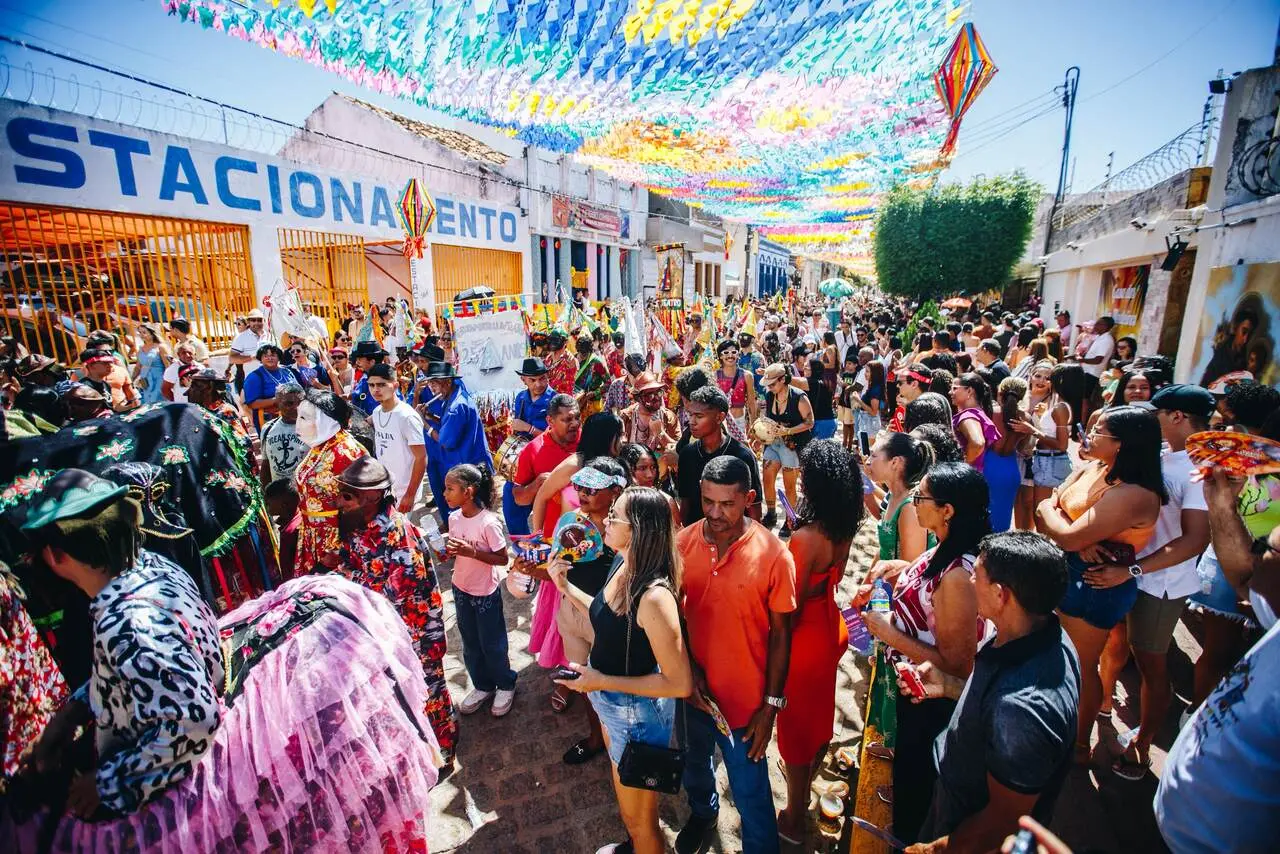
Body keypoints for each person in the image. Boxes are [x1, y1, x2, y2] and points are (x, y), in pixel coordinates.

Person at [20, 469, 223, 817]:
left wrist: (109, 782)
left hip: (177, 787)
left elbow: (197, 719)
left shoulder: (129, 624)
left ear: (55, 555)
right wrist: (73, 712)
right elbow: (136, 672)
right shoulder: (149, 565)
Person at [904, 532, 1080, 853]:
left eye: (977, 575)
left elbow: (1001, 822)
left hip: (964, 830)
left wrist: (934, 849)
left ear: (1000, 595)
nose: (969, 579)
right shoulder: (1040, 630)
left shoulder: (1023, 711)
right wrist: (949, 685)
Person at [549, 485, 691, 854]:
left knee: (640, 822)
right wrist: (563, 586)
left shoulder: (654, 596)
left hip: (635, 716)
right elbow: (604, 614)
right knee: (632, 814)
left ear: (639, 529)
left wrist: (600, 680)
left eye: (615, 516)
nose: (606, 520)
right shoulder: (623, 562)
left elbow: (679, 683)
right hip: (613, 705)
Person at [857, 462, 991, 844]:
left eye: (922, 497)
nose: (914, 501)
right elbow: (924, 578)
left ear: (947, 510)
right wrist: (896, 569)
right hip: (914, 691)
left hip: (932, 703)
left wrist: (887, 633)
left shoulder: (957, 579)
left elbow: (955, 665)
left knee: (918, 790)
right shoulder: (947, 545)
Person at [1153, 470, 1280, 854]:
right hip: (1175, 825)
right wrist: (1222, 504)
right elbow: (1243, 578)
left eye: (1267, 548)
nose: (1257, 553)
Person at [675, 455, 797, 854]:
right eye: (707, 501)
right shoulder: (683, 543)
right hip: (692, 696)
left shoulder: (774, 554)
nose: (714, 513)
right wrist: (689, 671)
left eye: (726, 504)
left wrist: (770, 708)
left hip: (745, 710)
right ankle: (704, 813)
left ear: (747, 498)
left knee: (751, 794)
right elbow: (673, 612)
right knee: (695, 769)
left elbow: (782, 635)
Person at [1093, 385, 1212, 779]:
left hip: (1159, 585)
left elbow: (1195, 539)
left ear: (1177, 417)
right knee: (1114, 644)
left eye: (1157, 413)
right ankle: (1104, 706)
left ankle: (1142, 745)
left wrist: (1133, 570)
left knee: (1151, 666)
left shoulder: (1197, 470)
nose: (1151, 421)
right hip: (1127, 573)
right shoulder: (1162, 455)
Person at [1036, 406, 1165, 764]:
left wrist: (1066, 530)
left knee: (1079, 665)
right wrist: (1066, 530)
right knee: (1060, 659)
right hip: (1071, 569)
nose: (1088, 435)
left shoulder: (1134, 493)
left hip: (1093, 583)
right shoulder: (1096, 468)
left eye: (1097, 431)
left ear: (1122, 445)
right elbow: (1047, 506)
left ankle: (1077, 745)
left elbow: (1058, 520)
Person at [334, 456, 459, 763]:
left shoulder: (398, 533)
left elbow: (395, 591)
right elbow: (352, 563)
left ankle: (443, 747)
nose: (340, 501)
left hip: (415, 635)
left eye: (347, 496)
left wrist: (344, 576)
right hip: (384, 632)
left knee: (429, 692)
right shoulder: (356, 526)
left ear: (373, 496)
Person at [776, 442, 863, 844]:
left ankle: (794, 818)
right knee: (817, 712)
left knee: (793, 726)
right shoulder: (843, 526)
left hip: (805, 638)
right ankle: (811, 766)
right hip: (831, 627)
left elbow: (788, 609)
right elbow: (838, 578)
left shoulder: (806, 537)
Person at [1187, 381, 1280, 704]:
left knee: (1253, 657)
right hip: (1230, 567)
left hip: (1266, 578)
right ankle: (1199, 712)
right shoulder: (1242, 462)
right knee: (1219, 654)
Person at [527, 412, 619, 708]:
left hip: (605, 566)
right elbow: (541, 497)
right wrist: (539, 541)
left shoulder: (616, 470)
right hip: (570, 557)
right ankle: (571, 680)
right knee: (569, 625)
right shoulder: (572, 465)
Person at [444, 463, 517, 718]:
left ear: (469, 491)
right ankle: (483, 685)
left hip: (485, 592)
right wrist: (450, 553)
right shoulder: (454, 518)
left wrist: (471, 552)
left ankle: (505, 684)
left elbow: (501, 559)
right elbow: (457, 554)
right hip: (461, 588)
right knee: (471, 643)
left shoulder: (489, 523)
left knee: (492, 643)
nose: (444, 494)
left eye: (450, 489)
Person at [293, 389, 368, 574]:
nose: (298, 423)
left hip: (335, 541)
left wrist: (336, 550)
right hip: (314, 534)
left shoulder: (345, 452)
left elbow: (359, 508)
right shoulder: (322, 445)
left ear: (324, 421)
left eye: (304, 418)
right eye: (299, 416)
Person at [676, 386, 763, 526]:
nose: (691, 421)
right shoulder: (687, 454)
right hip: (698, 537)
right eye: (690, 414)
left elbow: (754, 509)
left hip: (734, 539)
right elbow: (685, 503)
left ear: (720, 417)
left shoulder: (742, 456)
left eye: (699, 416)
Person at [422, 362, 494, 514]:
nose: (431, 387)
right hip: (471, 463)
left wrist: (423, 423)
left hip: (469, 466)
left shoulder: (456, 406)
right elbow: (447, 423)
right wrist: (429, 416)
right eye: (429, 383)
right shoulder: (454, 396)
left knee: (473, 512)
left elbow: (445, 441)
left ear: (448, 382)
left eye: (434, 382)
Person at [1012, 362, 1073, 532]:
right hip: (1017, 454)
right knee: (1019, 498)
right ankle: (1019, 534)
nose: (1042, 380)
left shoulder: (1054, 403)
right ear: (1030, 376)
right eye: (1038, 375)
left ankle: (1028, 537)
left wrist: (1036, 421)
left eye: (1047, 378)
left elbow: (1057, 437)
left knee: (1030, 500)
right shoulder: (1020, 397)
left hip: (1038, 457)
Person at [760, 363, 815, 532]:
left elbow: (809, 422)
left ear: (783, 379)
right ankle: (771, 513)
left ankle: (790, 519)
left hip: (793, 445)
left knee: (789, 485)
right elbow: (769, 419)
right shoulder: (771, 396)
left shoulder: (799, 397)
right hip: (775, 443)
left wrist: (789, 430)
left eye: (772, 384)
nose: (769, 387)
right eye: (768, 384)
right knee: (767, 476)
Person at [366, 363, 426, 514]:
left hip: (404, 491)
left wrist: (410, 495)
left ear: (395, 385)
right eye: (371, 385)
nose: (375, 389)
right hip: (385, 489)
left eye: (381, 384)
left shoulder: (406, 416)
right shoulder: (377, 412)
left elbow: (421, 457)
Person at [867, 432, 935, 564]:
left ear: (894, 462)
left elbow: (909, 569)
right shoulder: (894, 495)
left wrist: (877, 583)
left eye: (873, 455)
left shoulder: (910, 508)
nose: (868, 461)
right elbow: (884, 551)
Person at [986, 377, 1028, 532]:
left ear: (1000, 393)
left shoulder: (991, 412)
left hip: (988, 467)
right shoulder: (1026, 418)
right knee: (1002, 520)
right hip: (1011, 470)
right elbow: (1023, 447)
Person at [241, 344, 300, 432]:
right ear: (260, 359)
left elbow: (299, 389)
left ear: (279, 357)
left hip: (295, 417)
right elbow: (252, 404)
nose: (270, 358)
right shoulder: (255, 376)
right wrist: (277, 400)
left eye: (273, 355)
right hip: (270, 422)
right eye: (265, 356)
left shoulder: (287, 371)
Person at [258, 382, 308, 487]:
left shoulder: (312, 428)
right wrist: (266, 493)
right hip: (280, 493)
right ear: (277, 405)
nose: (295, 408)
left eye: (300, 403)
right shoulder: (268, 429)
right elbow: (266, 464)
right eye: (289, 403)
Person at [950, 372, 999, 471]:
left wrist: (962, 466)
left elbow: (978, 443)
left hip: (963, 476)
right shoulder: (977, 413)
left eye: (954, 388)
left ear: (969, 391)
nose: (950, 392)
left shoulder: (968, 416)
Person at [1072, 317, 1116, 424]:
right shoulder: (1100, 337)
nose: (1095, 326)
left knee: (1084, 398)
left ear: (1106, 327)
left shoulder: (1106, 340)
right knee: (1082, 397)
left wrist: (1082, 359)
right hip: (1087, 371)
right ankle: (1077, 421)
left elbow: (1098, 359)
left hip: (1092, 373)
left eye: (1099, 324)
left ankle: (1081, 423)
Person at [621, 373, 678, 454]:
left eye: (659, 392)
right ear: (638, 398)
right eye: (649, 395)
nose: (656, 398)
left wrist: (661, 434)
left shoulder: (669, 417)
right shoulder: (626, 417)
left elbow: (679, 452)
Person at [715, 338, 759, 436]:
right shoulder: (714, 376)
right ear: (720, 356)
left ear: (738, 354)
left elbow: (751, 402)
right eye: (726, 352)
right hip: (720, 424)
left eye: (733, 352)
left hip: (739, 422)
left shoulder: (747, 376)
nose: (730, 356)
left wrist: (754, 425)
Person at [264, 477, 301, 579]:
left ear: (283, 505)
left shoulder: (290, 532)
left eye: (268, 504)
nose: (267, 508)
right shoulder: (297, 519)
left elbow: (287, 566)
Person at [511, 357, 556, 439]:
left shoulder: (557, 401)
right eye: (532, 380)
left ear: (547, 376)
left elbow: (557, 440)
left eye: (542, 378)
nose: (538, 384)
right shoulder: (520, 398)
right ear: (523, 380)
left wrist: (529, 428)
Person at [131, 324, 170, 405]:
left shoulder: (160, 347)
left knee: (158, 403)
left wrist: (168, 383)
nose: (142, 335)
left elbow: (168, 366)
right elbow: (138, 367)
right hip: (145, 380)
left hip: (159, 380)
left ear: (152, 333)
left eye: (144, 332)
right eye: (140, 332)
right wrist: (132, 380)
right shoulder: (141, 348)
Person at [228, 308, 265, 389]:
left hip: (271, 379)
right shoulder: (241, 338)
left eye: (259, 320)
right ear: (248, 322)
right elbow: (232, 358)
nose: (256, 322)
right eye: (253, 320)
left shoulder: (270, 336)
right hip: (252, 382)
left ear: (263, 321)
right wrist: (253, 357)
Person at [574, 335, 610, 418]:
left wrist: (594, 393)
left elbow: (608, 383)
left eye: (585, 353)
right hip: (576, 403)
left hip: (592, 403)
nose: (582, 355)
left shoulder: (596, 362)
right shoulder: (574, 358)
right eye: (580, 352)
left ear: (590, 351)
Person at [889, 366, 933, 432]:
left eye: (900, 382)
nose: (897, 385)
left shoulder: (926, 412)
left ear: (914, 384)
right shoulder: (903, 407)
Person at [545, 331, 579, 396]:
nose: (552, 343)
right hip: (548, 399)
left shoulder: (569, 359)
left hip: (563, 402)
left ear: (565, 342)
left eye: (555, 340)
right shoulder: (548, 358)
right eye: (551, 340)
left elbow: (573, 365)